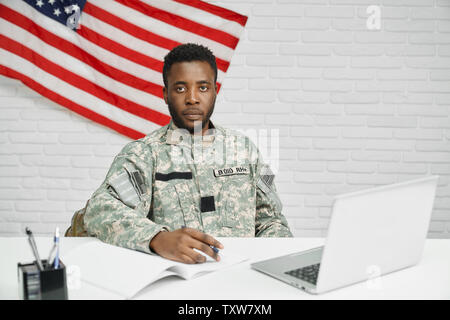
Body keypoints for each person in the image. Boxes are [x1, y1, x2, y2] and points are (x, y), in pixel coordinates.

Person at [83, 43, 293, 264]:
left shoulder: (244, 149)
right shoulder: (145, 154)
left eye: (202, 87)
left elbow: (272, 220)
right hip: (175, 279)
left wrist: (274, 263)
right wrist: (156, 238)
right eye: (181, 88)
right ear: (165, 94)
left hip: (240, 276)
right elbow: (100, 210)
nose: (192, 98)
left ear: (214, 91)